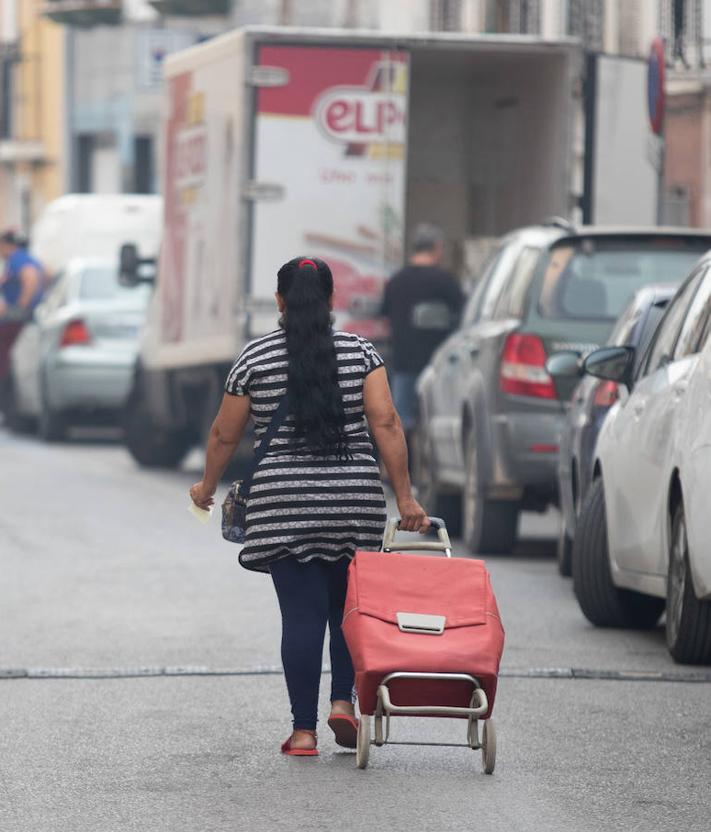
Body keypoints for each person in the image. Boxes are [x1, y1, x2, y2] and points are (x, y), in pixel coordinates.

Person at [189, 256, 429, 757]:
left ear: (279, 301)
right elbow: (386, 423)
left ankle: (303, 733)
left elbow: (223, 433)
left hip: (284, 506)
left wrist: (207, 486)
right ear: (331, 301)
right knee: (349, 611)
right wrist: (404, 497)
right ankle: (342, 703)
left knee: (301, 618)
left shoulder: (254, 359)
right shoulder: (362, 353)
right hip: (354, 503)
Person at [382, 223, 464, 438]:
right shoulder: (445, 281)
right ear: (437, 248)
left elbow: (385, 315)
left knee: (401, 421)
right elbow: (462, 316)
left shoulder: (396, 281)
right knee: (437, 420)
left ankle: (403, 468)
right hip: (438, 364)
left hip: (403, 363)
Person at [0, 230, 45, 413]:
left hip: (14, 321)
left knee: (5, 358)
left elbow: (31, 278)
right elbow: (46, 274)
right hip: (19, 320)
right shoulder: (29, 258)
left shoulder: (17, 258)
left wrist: (21, 306)